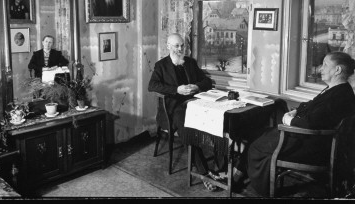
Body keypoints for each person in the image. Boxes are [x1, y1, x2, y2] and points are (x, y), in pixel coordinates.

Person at [232, 51, 355, 197]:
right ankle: (238, 177)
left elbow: (311, 123)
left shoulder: (339, 96)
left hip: (311, 146)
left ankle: (259, 190)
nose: (321, 69)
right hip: (308, 139)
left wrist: (289, 120)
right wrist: (295, 112)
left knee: (256, 144)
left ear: (337, 70)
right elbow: (310, 105)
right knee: (257, 133)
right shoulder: (336, 90)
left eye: (325, 65)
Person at [148, 33, 223, 191]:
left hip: (195, 103)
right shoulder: (161, 65)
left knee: (219, 117)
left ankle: (221, 169)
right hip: (174, 108)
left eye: (182, 45)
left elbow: (206, 81)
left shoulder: (189, 62)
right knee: (188, 127)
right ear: (168, 46)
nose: (180, 49)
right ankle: (204, 173)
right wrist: (176, 89)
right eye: (176, 46)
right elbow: (153, 85)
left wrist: (196, 86)